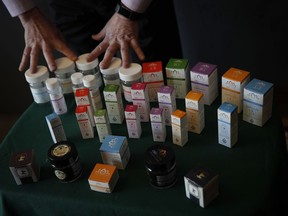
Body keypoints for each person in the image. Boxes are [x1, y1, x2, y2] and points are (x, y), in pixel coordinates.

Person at [2, 0, 155, 73]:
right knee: (88, 71)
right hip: (68, 6)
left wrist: (129, 13)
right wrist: (28, 16)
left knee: (145, 72)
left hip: (135, 5)